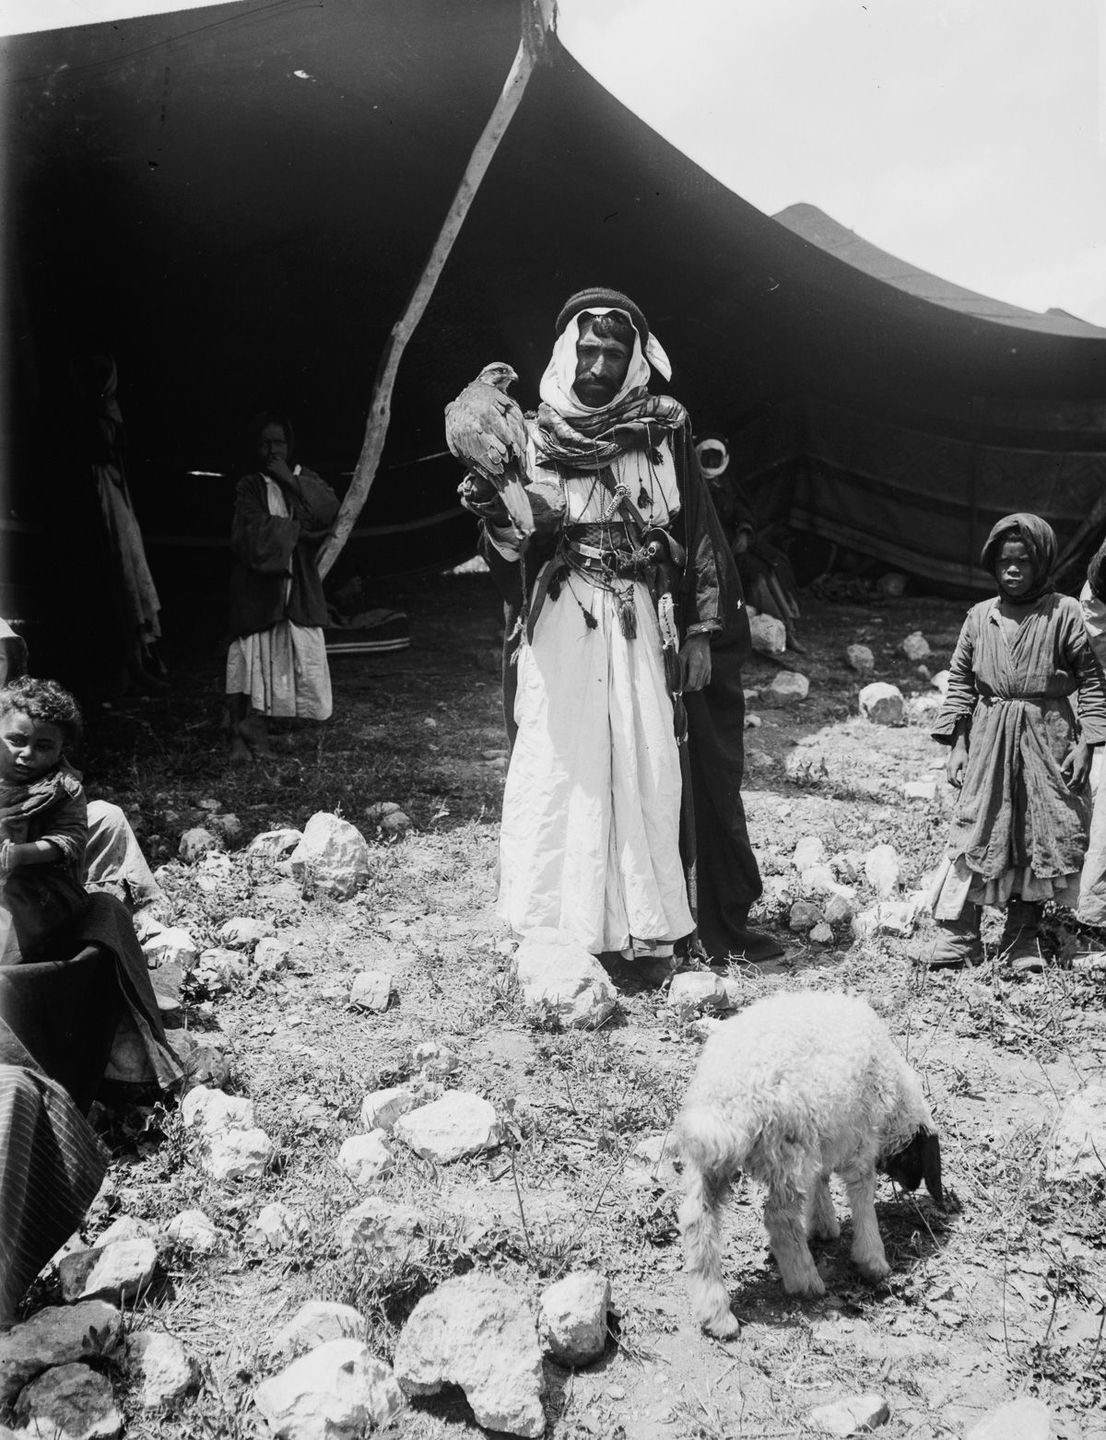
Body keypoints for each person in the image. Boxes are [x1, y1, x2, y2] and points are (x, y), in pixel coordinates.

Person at [463, 288, 778, 969]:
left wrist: (699, 631)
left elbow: (697, 533)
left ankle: (642, 930)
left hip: (642, 622)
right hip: (564, 623)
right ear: (568, 351)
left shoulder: (665, 428)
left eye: (614, 349)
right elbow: (512, 546)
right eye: (590, 347)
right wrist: (498, 514)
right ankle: (560, 931)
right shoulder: (535, 435)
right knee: (561, 769)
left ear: (633, 357)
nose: (600, 360)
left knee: (644, 768)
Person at [926, 514, 1106, 971]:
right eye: (1005, 562)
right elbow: (961, 684)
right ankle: (958, 937)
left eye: (1024, 561)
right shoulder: (979, 616)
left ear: (1041, 562)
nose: (1013, 570)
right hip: (988, 737)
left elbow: (1092, 680)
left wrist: (1086, 742)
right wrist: (958, 744)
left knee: (1037, 834)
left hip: (1048, 738)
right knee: (976, 829)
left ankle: (1021, 940)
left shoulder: (1064, 612)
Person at [0, 620, 161, 913]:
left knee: (107, 817)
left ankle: (129, 916)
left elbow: (60, 783)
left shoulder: (22, 712)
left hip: (31, 839)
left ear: (10, 665)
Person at [225, 412, 338, 761]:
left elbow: (326, 512)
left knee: (283, 654)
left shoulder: (304, 479)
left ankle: (256, 727)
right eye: (265, 443)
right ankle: (238, 730)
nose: (272, 449)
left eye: (279, 442)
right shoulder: (250, 486)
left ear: (290, 446)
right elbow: (251, 533)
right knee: (250, 655)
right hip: (259, 587)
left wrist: (290, 481)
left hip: (295, 585)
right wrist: (297, 532)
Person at [71, 354, 165, 693]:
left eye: (103, 375)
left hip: (115, 498)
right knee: (114, 584)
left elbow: (117, 450)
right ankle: (122, 671)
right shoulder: (83, 415)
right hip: (96, 504)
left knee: (130, 577)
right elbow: (97, 449)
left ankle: (139, 662)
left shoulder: (110, 410)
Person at [0, 678, 90, 963]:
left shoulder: (62, 789)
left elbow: (71, 840)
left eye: (43, 746)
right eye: (15, 740)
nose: (26, 754)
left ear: (61, 750)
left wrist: (20, 854)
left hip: (38, 888)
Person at [694, 432, 802, 648]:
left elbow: (741, 509)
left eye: (716, 458)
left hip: (734, 544)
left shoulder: (725, 482)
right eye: (708, 458)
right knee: (755, 573)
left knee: (772, 563)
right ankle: (779, 628)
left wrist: (744, 532)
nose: (713, 463)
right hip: (711, 549)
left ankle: (788, 625)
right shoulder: (694, 485)